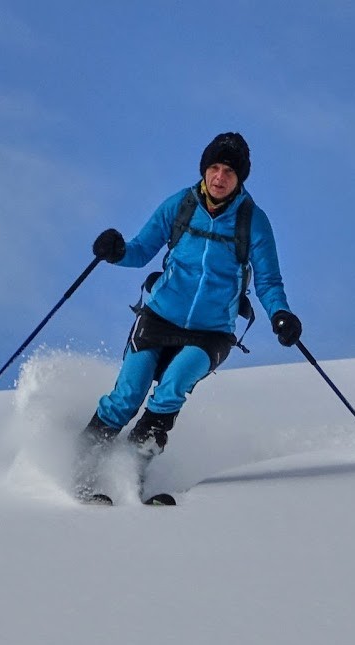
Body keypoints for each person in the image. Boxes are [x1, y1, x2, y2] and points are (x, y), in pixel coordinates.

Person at [76, 132, 302, 502]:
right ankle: (78, 475)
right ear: (204, 170)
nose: (219, 177)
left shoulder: (253, 222)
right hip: (160, 317)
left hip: (210, 333)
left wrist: (281, 315)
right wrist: (115, 251)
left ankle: (128, 481)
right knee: (126, 396)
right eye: (214, 167)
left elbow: (269, 281)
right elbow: (141, 249)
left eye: (228, 171)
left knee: (171, 390)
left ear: (240, 178)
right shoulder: (181, 204)